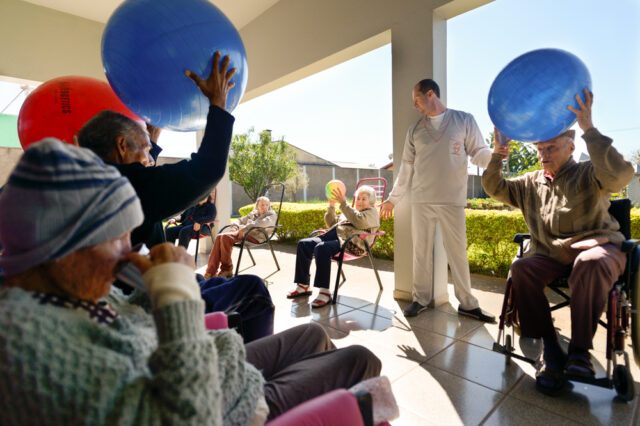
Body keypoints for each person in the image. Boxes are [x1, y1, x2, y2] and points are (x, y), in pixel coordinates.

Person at [0, 140, 382, 424]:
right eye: (117, 235)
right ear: (69, 244)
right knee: (361, 358)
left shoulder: (62, 286)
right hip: (222, 406)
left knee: (312, 336)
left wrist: (149, 288)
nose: (127, 246)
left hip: (211, 367)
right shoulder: (31, 346)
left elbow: (130, 329)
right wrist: (177, 293)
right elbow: (187, 416)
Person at [77, 51, 274, 342]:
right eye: (142, 152)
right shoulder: (125, 186)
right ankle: (248, 372)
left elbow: (145, 180)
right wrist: (218, 106)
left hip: (114, 301)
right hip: (151, 304)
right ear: (121, 145)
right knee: (253, 290)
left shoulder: (83, 184)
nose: (147, 159)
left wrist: (149, 143)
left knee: (212, 281)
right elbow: (206, 171)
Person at [481, 90, 635, 395]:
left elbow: (621, 175)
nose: (543, 153)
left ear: (571, 146)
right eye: (540, 148)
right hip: (551, 254)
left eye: (551, 147)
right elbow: (493, 187)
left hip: (597, 247)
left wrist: (589, 128)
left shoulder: (589, 173)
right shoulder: (530, 183)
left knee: (590, 261)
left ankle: (579, 352)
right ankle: (550, 350)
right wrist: (498, 154)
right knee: (522, 267)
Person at [380, 78, 495, 321]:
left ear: (430, 94)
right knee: (421, 252)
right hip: (421, 200)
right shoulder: (415, 131)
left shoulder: (463, 120)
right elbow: (406, 169)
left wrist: (497, 158)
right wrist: (393, 199)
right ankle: (420, 299)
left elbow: (479, 154)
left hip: (452, 200)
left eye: (416, 100)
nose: (415, 106)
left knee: (458, 254)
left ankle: (467, 303)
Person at [287, 185, 380, 308]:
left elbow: (359, 222)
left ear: (371, 202)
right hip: (333, 236)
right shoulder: (350, 211)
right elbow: (331, 223)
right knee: (304, 244)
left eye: (364, 199)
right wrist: (331, 206)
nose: (359, 201)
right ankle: (303, 285)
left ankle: (324, 291)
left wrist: (343, 203)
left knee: (322, 248)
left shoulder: (372, 213)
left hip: (350, 243)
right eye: (358, 198)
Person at [205, 196, 276, 278]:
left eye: (266, 205)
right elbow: (239, 220)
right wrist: (234, 228)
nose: (264, 207)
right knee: (220, 236)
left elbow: (261, 223)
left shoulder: (271, 214)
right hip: (244, 234)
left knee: (225, 237)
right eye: (262, 205)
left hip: (257, 237)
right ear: (257, 206)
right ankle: (211, 271)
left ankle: (227, 269)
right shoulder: (254, 213)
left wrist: (244, 229)